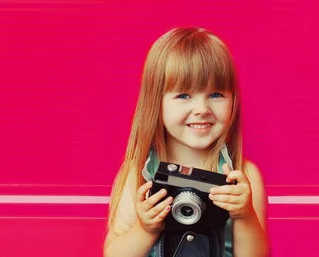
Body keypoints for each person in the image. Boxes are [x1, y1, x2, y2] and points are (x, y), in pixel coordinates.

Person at [103, 27, 270, 257]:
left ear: (233, 99)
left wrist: (245, 215)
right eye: (184, 95)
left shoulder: (243, 176)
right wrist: (145, 229)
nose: (202, 109)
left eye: (215, 95)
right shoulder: (139, 175)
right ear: (155, 103)